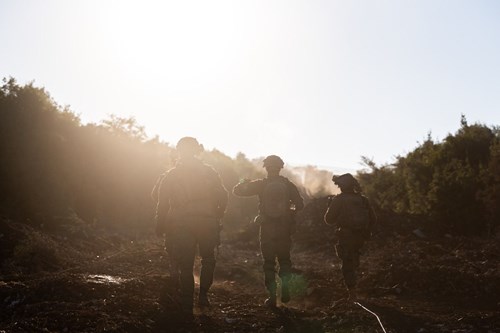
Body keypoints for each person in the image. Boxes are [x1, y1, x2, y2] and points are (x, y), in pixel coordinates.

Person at [155, 137, 228, 315]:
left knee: (186, 265)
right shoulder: (209, 172)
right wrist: (217, 214)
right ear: (197, 150)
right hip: (207, 222)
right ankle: (203, 297)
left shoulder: (172, 174)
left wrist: (160, 224)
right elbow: (223, 196)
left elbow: (162, 202)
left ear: (179, 151)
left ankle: (187, 304)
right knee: (208, 260)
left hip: (182, 224)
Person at [233, 155, 304, 308]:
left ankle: (272, 297)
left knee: (269, 263)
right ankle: (285, 287)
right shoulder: (288, 184)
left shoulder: (261, 184)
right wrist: (289, 210)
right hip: (284, 229)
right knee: (284, 260)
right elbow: (300, 205)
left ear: (266, 167)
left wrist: (243, 181)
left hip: (267, 228)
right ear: (280, 167)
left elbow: (237, 191)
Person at [324, 173, 376, 301]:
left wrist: (330, 206)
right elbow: (373, 219)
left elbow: (328, 220)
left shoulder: (339, 200)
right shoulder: (363, 199)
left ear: (341, 186)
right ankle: (356, 285)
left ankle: (352, 293)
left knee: (347, 263)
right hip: (360, 236)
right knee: (354, 259)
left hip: (346, 236)